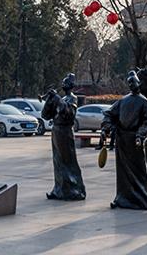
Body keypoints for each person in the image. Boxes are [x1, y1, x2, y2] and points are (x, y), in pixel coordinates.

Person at [101, 70, 147, 210]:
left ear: (139, 83)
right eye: (129, 82)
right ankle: (122, 198)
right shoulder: (123, 101)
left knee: (138, 171)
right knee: (122, 173)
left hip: (135, 140)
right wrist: (106, 128)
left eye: (134, 81)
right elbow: (109, 114)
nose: (132, 84)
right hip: (122, 140)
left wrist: (140, 134)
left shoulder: (145, 102)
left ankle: (143, 199)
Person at [41, 73, 86, 201]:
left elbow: (69, 113)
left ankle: (74, 189)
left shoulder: (73, 98)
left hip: (65, 131)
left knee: (68, 160)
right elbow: (45, 115)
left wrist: (57, 99)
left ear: (71, 86)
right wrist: (49, 101)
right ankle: (59, 189)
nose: (64, 85)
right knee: (58, 161)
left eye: (66, 83)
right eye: (63, 83)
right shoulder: (61, 98)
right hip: (56, 130)